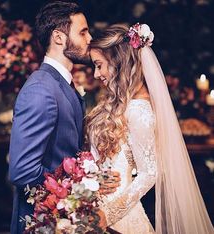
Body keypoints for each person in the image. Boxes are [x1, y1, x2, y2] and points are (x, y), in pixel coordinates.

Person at [86, 23, 214, 234]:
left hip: (118, 219)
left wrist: (107, 214)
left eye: (99, 65)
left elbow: (149, 173)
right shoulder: (119, 102)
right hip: (93, 206)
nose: (96, 73)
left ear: (118, 63)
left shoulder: (138, 110)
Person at [9, 1, 92, 233]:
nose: (89, 38)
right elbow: (22, 171)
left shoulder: (60, 83)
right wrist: (73, 186)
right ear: (58, 37)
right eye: (83, 32)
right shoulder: (41, 89)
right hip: (40, 221)